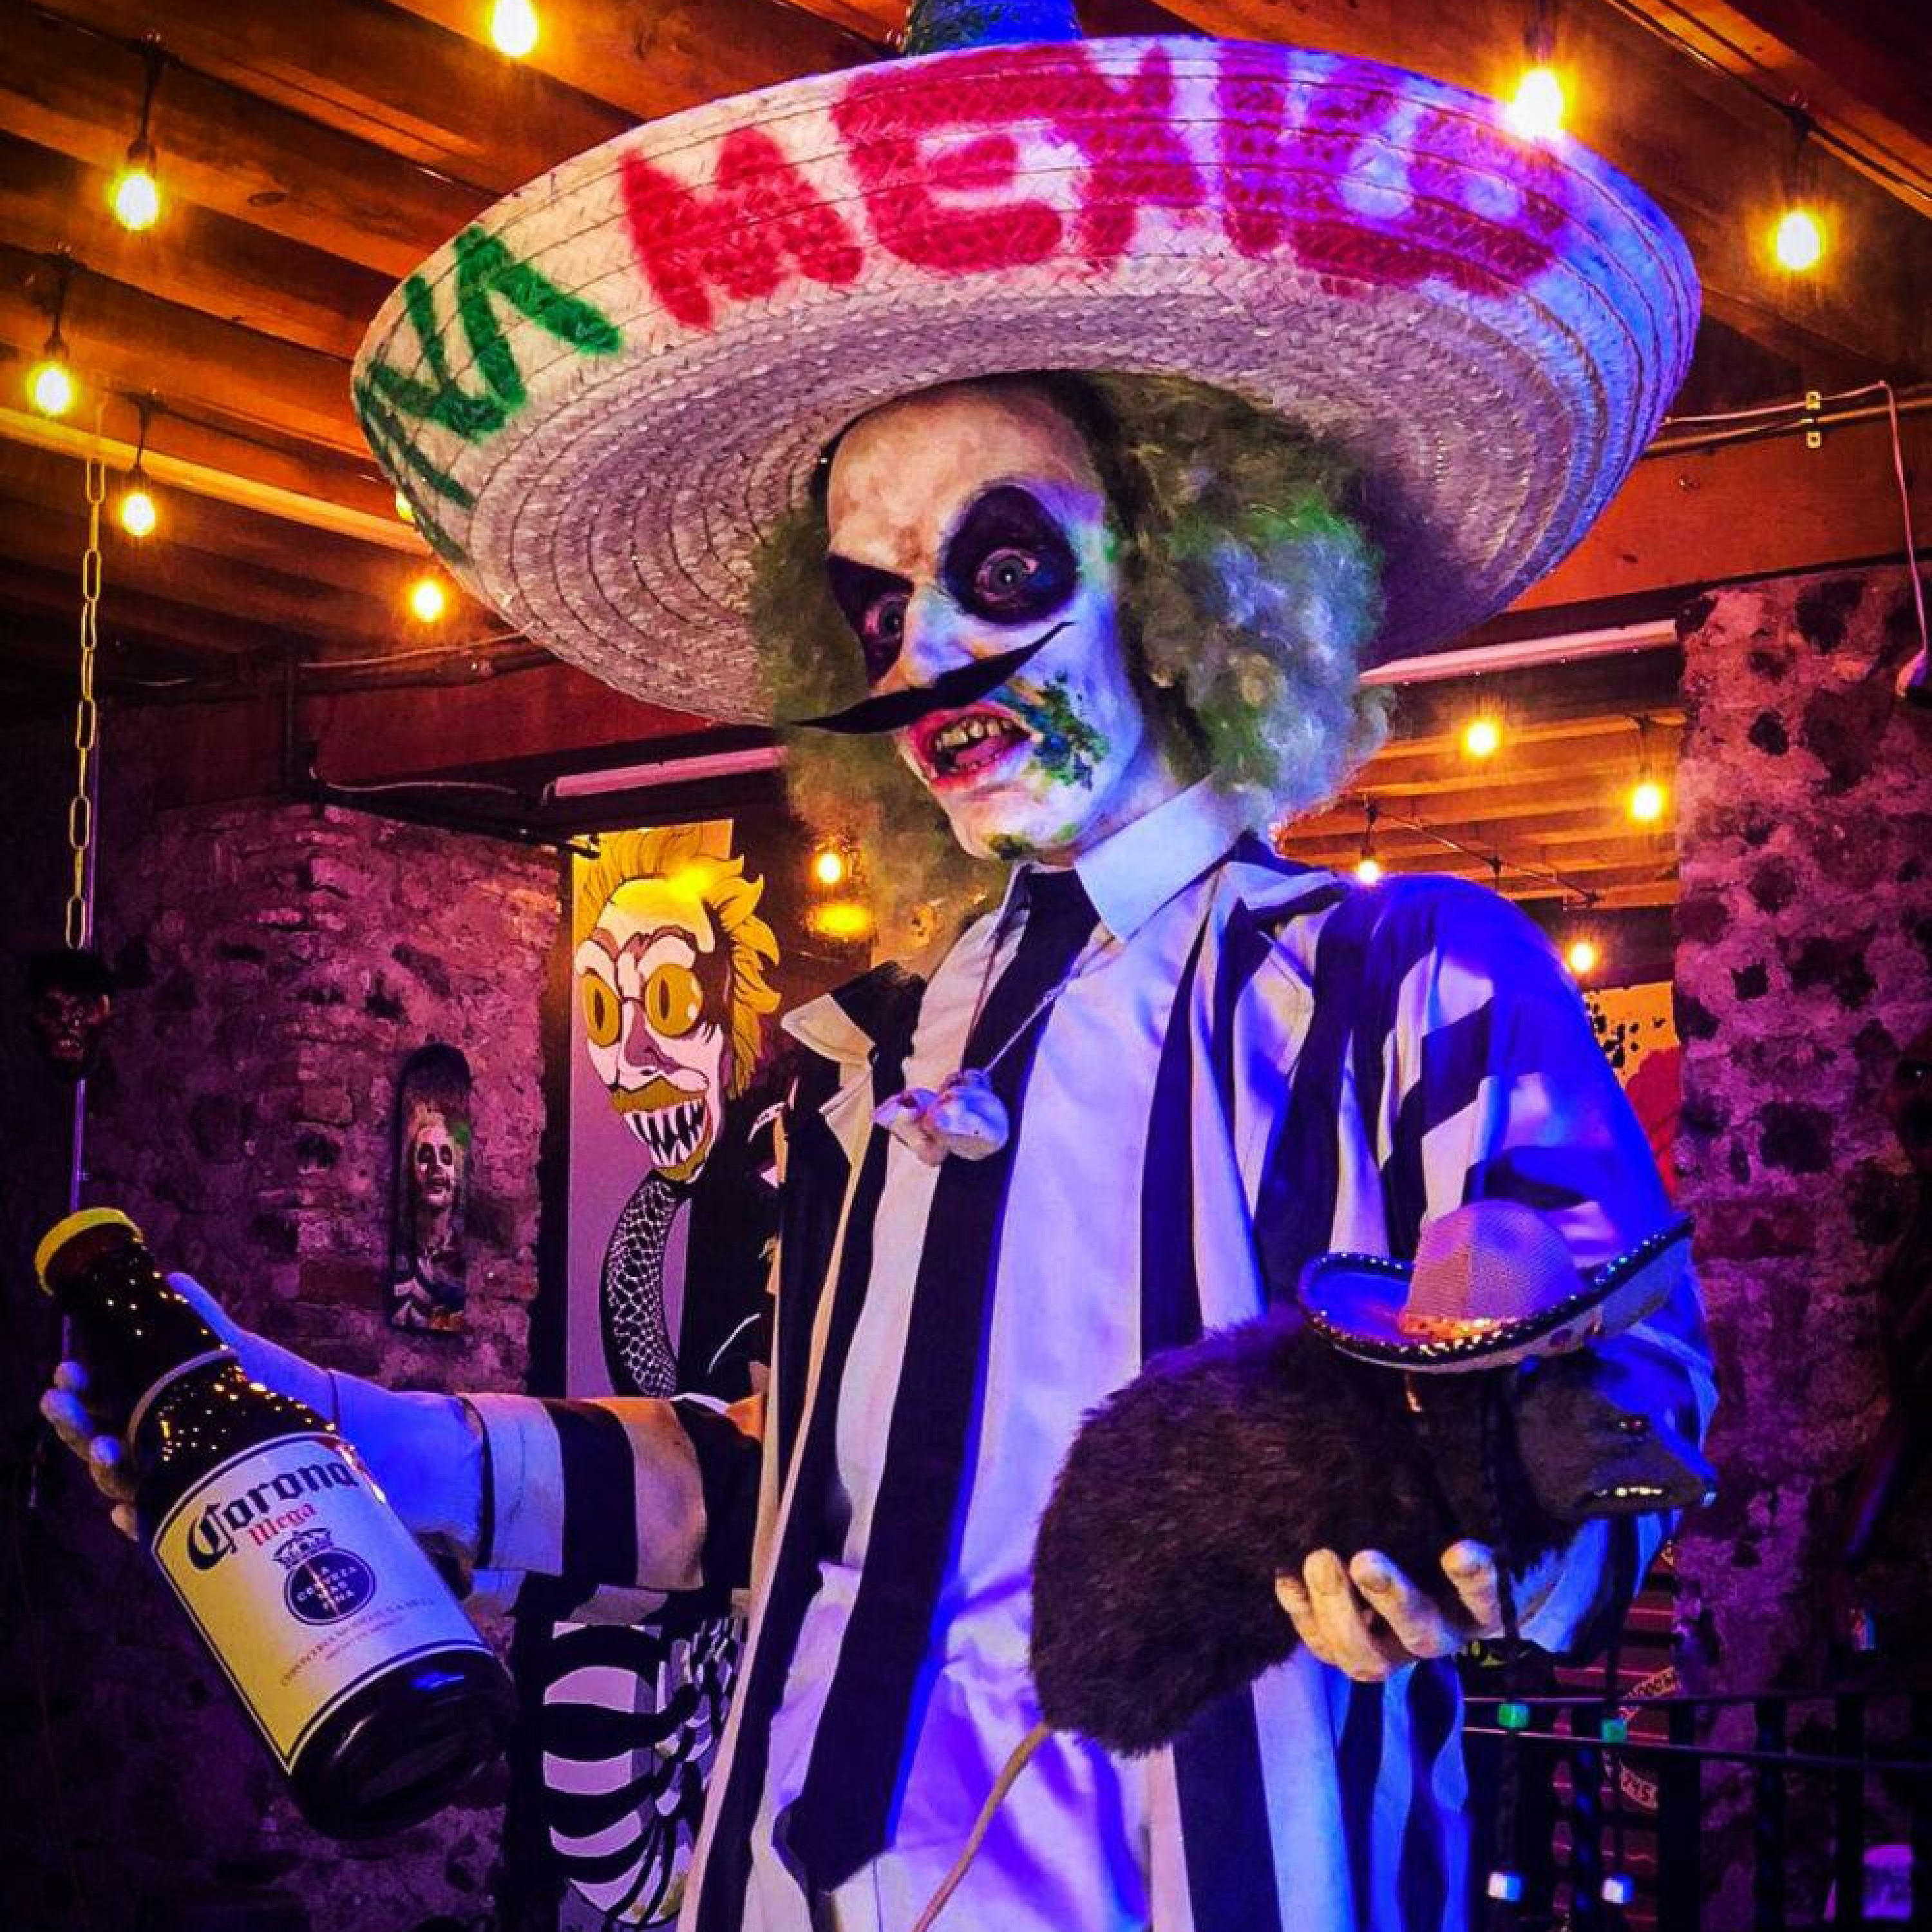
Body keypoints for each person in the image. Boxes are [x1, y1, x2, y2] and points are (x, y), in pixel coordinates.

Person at [47, 5, 1715, 1926]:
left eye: (997, 570)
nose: (919, 661)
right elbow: (760, 1497)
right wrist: (331, 1425)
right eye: (870, 605)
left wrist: (1489, 1515)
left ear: (1186, 574)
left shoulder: (1410, 981)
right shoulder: (859, 1061)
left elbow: (1624, 1407)